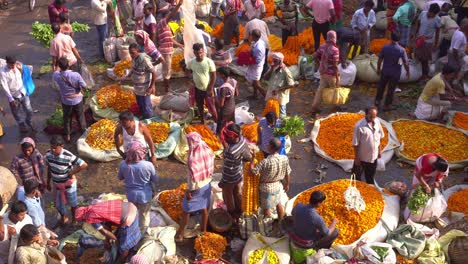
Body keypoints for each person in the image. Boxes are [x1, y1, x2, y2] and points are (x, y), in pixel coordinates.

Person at [175, 132, 214, 241]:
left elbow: (192, 178)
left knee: (186, 210)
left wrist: (189, 191)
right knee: (204, 208)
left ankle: (180, 234)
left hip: (196, 187)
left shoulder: (192, 158)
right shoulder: (208, 150)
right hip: (207, 184)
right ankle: (204, 230)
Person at [75, 200, 142, 263]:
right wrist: (107, 240)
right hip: (131, 207)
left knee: (124, 245)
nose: (83, 222)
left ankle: (121, 261)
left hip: (128, 217)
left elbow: (105, 232)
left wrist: (116, 241)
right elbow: (107, 224)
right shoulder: (93, 207)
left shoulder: (90, 217)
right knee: (123, 237)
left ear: (83, 217)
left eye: (82, 220)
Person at [45, 135, 88, 225]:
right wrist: (48, 182)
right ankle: (64, 217)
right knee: (58, 204)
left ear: (61, 146)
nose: (53, 150)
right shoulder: (48, 155)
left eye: (55, 148)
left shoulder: (68, 156)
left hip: (69, 185)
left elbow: (84, 164)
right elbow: (49, 168)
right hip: (56, 184)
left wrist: (71, 173)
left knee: (73, 204)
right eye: (51, 147)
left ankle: (74, 219)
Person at [118, 141, 158, 231]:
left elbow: (120, 177)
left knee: (132, 214)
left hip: (131, 195)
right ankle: (143, 232)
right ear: (142, 152)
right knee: (144, 215)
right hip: (145, 195)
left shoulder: (123, 164)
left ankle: (133, 232)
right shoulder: (148, 165)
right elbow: (155, 179)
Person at [251, 138, 290, 219]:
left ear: (270, 147)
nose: (267, 146)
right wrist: (287, 184)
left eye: (268, 144)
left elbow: (253, 172)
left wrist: (252, 159)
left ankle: (268, 224)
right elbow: (287, 173)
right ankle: (280, 222)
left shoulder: (265, 162)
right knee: (278, 203)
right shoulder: (284, 158)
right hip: (278, 185)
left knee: (267, 208)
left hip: (266, 188)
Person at [219, 123, 252, 220]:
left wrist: (223, 182)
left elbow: (227, 166)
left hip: (229, 176)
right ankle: (241, 209)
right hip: (238, 173)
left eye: (228, 137)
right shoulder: (242, 140)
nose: (226, 139)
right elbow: (247, 157)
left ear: (234, 137)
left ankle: (231, 213)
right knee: (237, 192)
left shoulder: (230, 151)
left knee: (228, 194)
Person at [53, 57, 87, 143]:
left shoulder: (57, 76)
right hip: (77, 99)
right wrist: (82, 92)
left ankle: (67, 135)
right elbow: (84, 86)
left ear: (60, 66)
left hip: (66, 101)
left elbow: (56, 70)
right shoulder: (76, 75)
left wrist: (57, 65)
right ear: (68, 65)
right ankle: (83, 132)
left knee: (67, 118)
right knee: (80, 116)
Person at [375, 32, 409, 111]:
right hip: (395, 73)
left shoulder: (385, 47)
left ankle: (377, 101)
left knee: (381, 86)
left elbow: (380, 59)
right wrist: (408, 72)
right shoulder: (401, 50)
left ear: (390, 37)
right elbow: (406, 63)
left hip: (385, 71)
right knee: (391, 89)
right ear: (399, 39)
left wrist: (378, 68)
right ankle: (387, 105)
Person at [0, 55, 35, 133]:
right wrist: (11, 99)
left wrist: (22, 70)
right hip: (13, 96)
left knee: (29, 110)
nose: (13, 66)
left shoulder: (18, 65)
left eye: (14, 64)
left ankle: (28, 121)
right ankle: (21, 124)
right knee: (16, 112)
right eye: (11, 64)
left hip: (23, 92)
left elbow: (28, 71)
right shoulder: (3, 72)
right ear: (7, 63)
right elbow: (5, 86)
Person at [352, 106, 385, 184]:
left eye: (374, 116)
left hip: (373, 157)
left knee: (370, 177)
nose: (373, 118)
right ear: (366, 114)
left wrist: (379, 151)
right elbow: (355, 144)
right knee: (356, 178)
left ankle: (369, 192)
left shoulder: (377, 122)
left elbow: (379, 137)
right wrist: (357, 158)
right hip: (362, 158)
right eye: (371, 116)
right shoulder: (359, 126)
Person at [156, 0, 184, 92]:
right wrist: (179, 5)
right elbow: (172, 14)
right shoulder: (162, 22)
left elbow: (170, 39)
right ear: (166, 16)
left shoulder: (166, 26)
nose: (172, 18)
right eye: (169, 16)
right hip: (165, 51)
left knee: (167, 69)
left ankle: (167, 87)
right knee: (167, 71)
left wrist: (180, 45)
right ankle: (167, 90)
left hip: (168, 50)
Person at [311, 30, 340, 117]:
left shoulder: (322, 46)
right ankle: (334, 107)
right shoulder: (335, 50)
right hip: (331, 75)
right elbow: (335, 66)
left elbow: (314, 56)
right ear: (334, 38)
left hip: (323, 73)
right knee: (334, 90)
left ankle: (314, 107)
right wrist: (337, 78)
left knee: (320, 90)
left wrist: (320, 64)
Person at [187, 43, 217, 124]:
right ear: (194, 53)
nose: (199, 55)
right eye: (197, 53)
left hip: (207, 89)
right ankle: (202, 120)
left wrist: (210, 88)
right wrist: (190, 79)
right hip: (197, 89)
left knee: (211, 106)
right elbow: (187, 70)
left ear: (203, 51)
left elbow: (214, 76)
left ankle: (216, 121)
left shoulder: (209, 62)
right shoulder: (191, 62)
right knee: (200, 105)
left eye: (200, 52)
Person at [10, 137, 45, 201]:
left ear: (33, 147)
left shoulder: (36, 154)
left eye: (29, 150)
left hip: (38, 182)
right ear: (22, 149)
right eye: (24, 150)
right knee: (29, 201)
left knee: (40, 199)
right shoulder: (17, 159)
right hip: (27, 186)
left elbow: (41, 165)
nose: (27, 152)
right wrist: (19, 185)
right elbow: (12, 171)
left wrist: (41, 178)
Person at [129, 43, 157, 116]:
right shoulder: (134, 59)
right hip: (137, 87)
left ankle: (149, 118)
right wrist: (129, 74)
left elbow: (154, 72)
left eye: (133, 53)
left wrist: (151, 87)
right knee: (140, 104)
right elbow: (133, 69)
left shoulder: (144, 60)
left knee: (146, 105)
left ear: (138, 51)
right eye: (130, 53)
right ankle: (143, 115)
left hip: (144, 88)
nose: (131, 55)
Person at [415, 3, 441, 81]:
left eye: (433, 14)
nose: (431, 15)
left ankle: (424, 76)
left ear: (436, 14)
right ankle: (418, 72)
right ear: (429, 10)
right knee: (417, 56)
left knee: (425, 60)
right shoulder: (422, 14)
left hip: (428, 42)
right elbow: (418, 24)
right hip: (419, 39)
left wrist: (436, 44)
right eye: (431, 13)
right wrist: (415, 35)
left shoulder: (437, 19)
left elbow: (437, 32)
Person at [264, 52, 295, 118]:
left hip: (281, 97)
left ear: (280, 61)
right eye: (273, 60)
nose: (273, 62)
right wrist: (271, 69)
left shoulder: (286, 71)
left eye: (275, 61)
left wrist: (278, 90)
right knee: (270, 113)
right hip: (271, 95)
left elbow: (291, 85)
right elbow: (265, 78)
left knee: (281, 115)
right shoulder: (272, 67)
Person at [216, 67, 238, 133]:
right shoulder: (234, 81)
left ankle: (221, 137)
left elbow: (221, 104)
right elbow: (236, 93)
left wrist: (215, 99)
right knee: (231, 123)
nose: (218, 75)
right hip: (232, 106)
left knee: (222, 125)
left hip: (225, 109)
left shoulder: (224, 88)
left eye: (219, 74)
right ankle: (233, 133)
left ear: (222, 75)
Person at [246, 29, 267, 98]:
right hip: (256, 65)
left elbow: (257, 60)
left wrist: (248, 59)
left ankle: (266, 96)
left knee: (256, 83)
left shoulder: (258, 47)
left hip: (257, 66)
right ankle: (255, 95)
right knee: (254, 81)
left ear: (254, 36)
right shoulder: (259, 42)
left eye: (251, 35)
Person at [448, 19, 468, 85]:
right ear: (465, 27)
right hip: (455, 54)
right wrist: (457, 60)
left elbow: (464, 45)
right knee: (464, 66)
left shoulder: (459, 30)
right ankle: (456, 82)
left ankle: (456, 80)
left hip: (457, 52)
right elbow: (455, 49)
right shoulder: (460, 35)